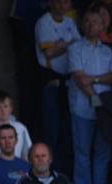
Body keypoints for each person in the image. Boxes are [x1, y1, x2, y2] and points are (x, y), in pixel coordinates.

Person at [67, 9, 112, 184]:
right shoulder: (75, 48)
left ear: (102, 25)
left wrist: (94, 79)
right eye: (86, 22)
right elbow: (80, 78)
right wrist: (94, 97)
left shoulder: (107, 51)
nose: (89, 26)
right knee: (82, 152)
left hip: (104, 109)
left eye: (94, 22)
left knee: (102, 152)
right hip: (82, 107)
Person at [35, 0, 80, 172]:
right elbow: (48, 52)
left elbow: (77, 47)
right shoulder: (43, 22)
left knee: (67, 133)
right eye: (59, 1)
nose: (62, 5)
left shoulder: (70, 22)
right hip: (50, 81)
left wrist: (61, 45)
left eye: (66, 2)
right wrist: (68, 45)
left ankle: (65, 173)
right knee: (51, 131)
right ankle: (51, 171)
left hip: (68, 82)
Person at [0, 90, 32, 161]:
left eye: (6, 106)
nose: (3, 110)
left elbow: (26, 153)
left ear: (11, 108)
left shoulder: (21, 128)